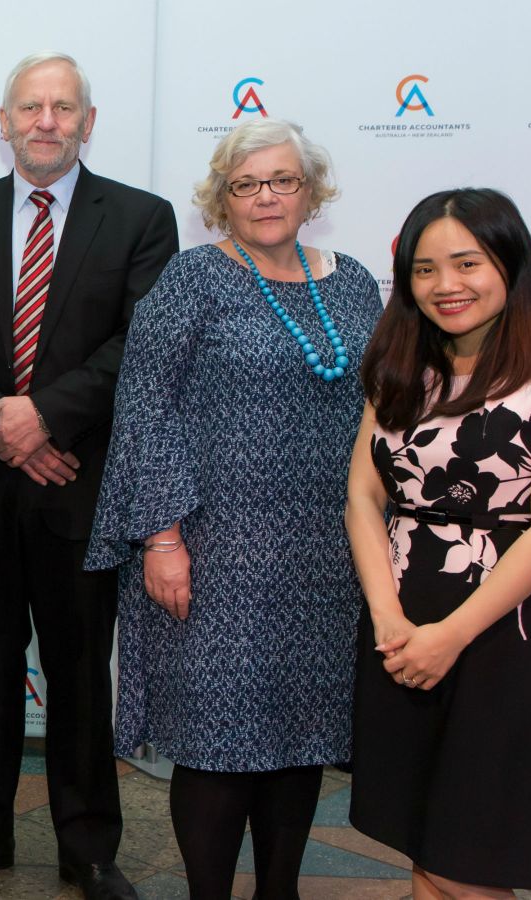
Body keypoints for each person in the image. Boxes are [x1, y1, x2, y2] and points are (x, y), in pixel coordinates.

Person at [84, 118, 382, 897]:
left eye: (282, 180)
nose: (266, 197)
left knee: (300, 735)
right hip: (212, 551)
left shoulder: (353, 281)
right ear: (223, 200)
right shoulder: (192, 280)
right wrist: (161, 537)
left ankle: (280, 890)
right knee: (216, 742)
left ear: (310, 191)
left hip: (325, 555)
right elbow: (145, 409)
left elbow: (382, 403)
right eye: (246, 184)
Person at [0, 51, 177, 898]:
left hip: (83, 484)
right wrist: (9, 425)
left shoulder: (141, 218)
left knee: (79, 675)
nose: (46, 121)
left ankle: (88, 846)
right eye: (30, 107)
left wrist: (46, 416)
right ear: (5, 122)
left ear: (87, 123)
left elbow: (143, 343)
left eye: (64, 107)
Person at [348, 188, 531, 896]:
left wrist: (449, 637)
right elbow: (363, 497)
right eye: (425, 269)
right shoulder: (398, 370)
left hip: (506, 636)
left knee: (470, 863)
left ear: (511, 264)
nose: (446, 284)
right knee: (423, 849)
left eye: (467, 263)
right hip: (401, 629)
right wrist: (388, 619)